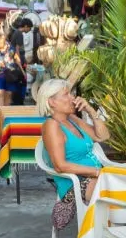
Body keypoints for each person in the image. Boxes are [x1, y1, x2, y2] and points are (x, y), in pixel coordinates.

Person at [40, 78, 110, 213]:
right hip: (74, 183)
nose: (73, 98)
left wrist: (91, 111)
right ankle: (99, 232)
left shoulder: (72, 119)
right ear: (52, 101)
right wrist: (97, 172)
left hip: (94, 177)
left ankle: (111, 230)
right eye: (66, 94)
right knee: (117, 191)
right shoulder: (51, 125)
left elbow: (103, 136)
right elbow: (60, 166)